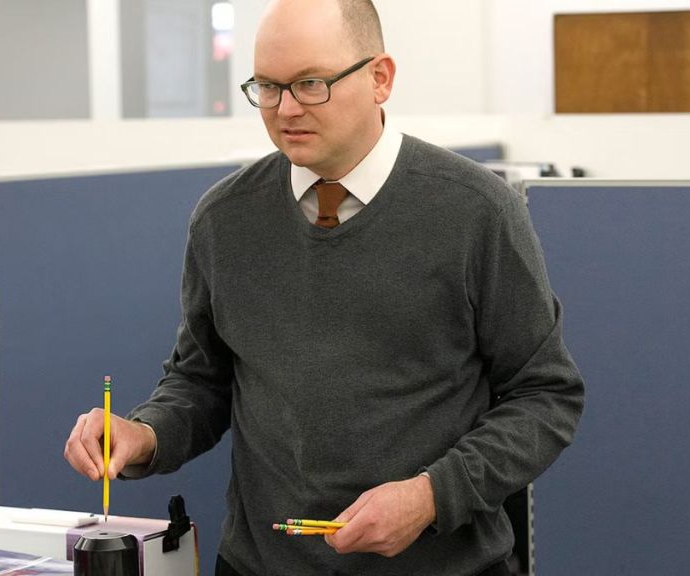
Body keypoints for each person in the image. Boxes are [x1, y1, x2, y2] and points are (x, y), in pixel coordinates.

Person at [64, 1, 584, 574]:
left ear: (380, 78)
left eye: (311, 84)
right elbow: (202, 381)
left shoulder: (476, 211)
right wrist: (143, 433)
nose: (285, 109)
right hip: (261, 564)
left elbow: (545, 395)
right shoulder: (224, 218)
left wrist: (430, 496)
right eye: (267, 87)